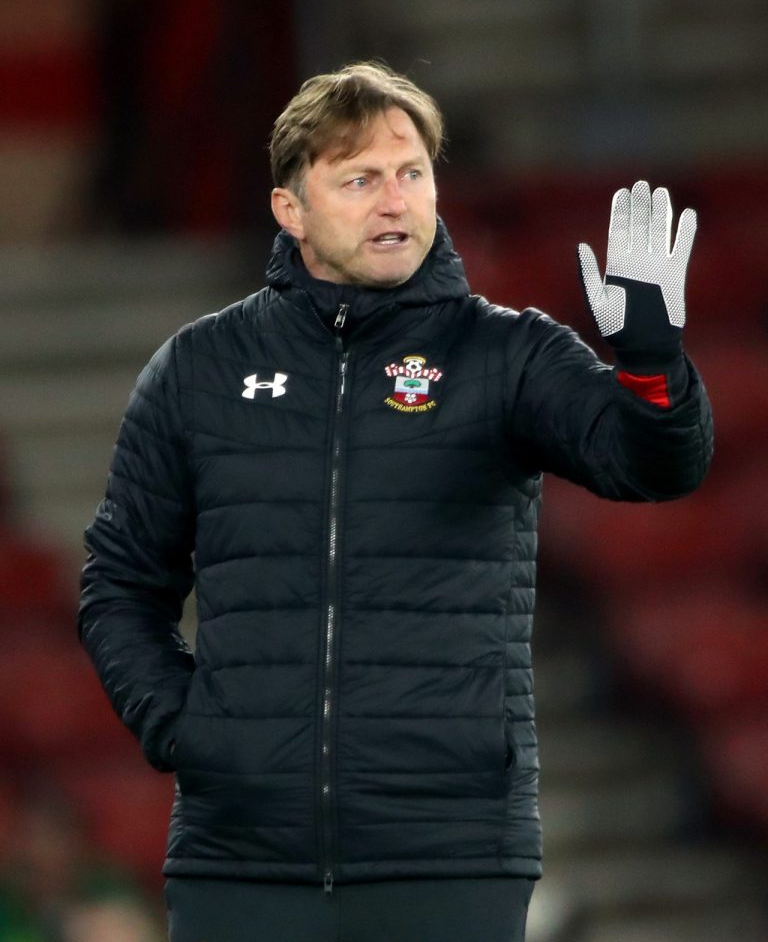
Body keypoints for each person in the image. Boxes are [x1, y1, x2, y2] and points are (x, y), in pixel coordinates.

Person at [78, 61, 713, 942]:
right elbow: (119, 584)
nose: (395, 200)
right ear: (291, 209)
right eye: (360, 179)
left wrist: (651, 368)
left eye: (412, 173)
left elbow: (654, 466)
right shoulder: (201, 368)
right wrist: (191, 733)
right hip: (241, 859)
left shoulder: (506, 354)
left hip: (451, 856)